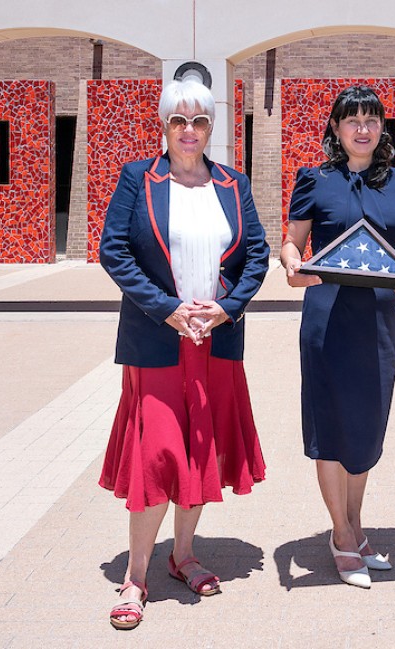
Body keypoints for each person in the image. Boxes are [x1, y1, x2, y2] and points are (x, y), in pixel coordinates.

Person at [98, 78, 269, 629]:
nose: (188, 131)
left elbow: (257, 254)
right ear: (165, 126)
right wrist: (166, 308)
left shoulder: (232, 183)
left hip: (215, 340)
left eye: (198, 121)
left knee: (200, 451)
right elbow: (114, 251)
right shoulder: (138, 178)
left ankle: (185, 554)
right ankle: (136, 575)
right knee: (157, 457)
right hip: (159, 340)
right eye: (178, 120)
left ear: (211, 127)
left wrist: (228, 307)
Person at [280, 85, 395, 589]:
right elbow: (292, 244)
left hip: (380, 316)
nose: (362, 129)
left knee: (366, 423)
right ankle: (341, 536)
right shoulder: (314, 180)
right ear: (336, 130)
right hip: (327, 315)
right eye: (351, 120)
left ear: (382, 128)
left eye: (371, 120)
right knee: (330, 424)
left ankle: (357, 528)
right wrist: (293, 267)